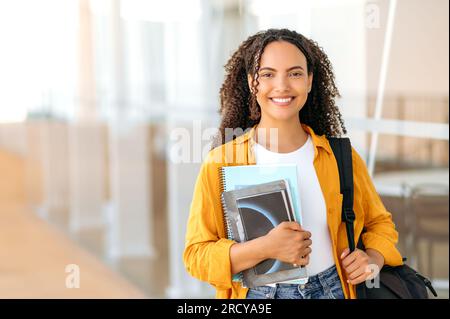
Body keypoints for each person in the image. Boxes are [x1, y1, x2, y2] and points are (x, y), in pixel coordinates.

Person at [183, 28, 403, 299]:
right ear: (253, 82)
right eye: (267, 74)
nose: (282, 86)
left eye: (295, 73)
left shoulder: (339, 156)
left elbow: (380, 223)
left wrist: (372, 258)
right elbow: (196, 255)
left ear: (310, 81)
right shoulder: (222, 161)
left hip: (334, 290)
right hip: (258, 296)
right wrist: (266, 248)